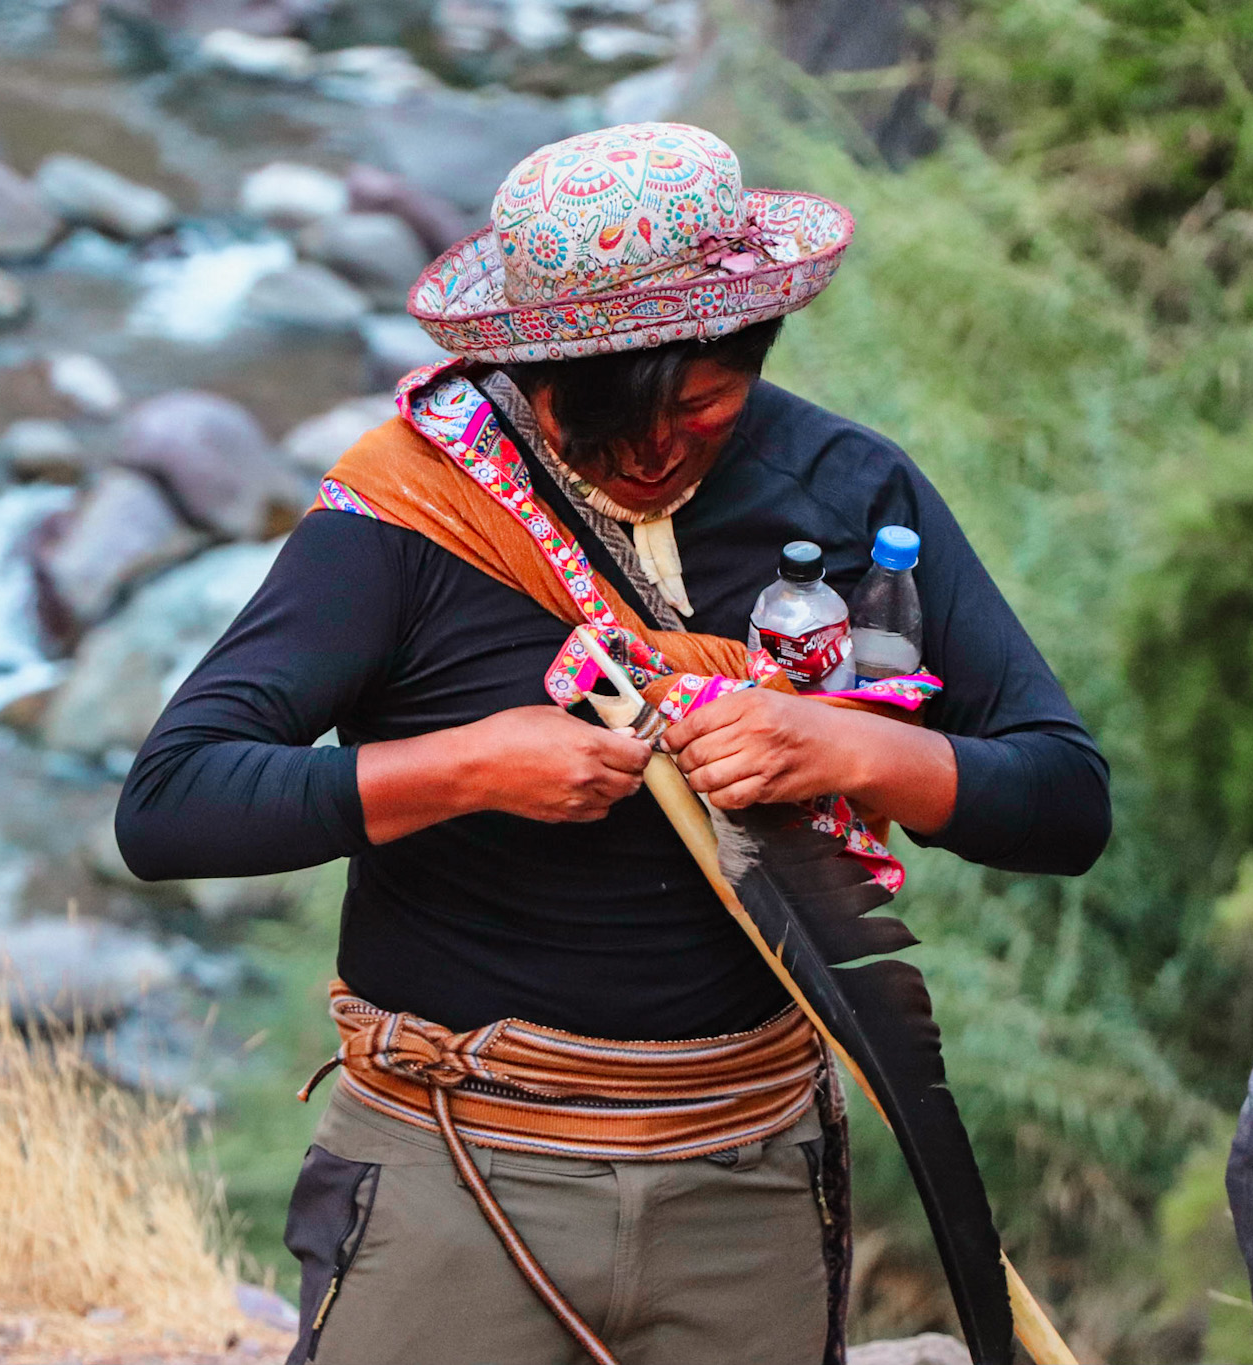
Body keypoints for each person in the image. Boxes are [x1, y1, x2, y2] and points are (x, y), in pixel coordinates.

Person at [116, 122, 1109, 1365]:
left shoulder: (852, 497)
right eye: (603, 424)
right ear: (529, 378)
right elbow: (169, 806)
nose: (650, 454)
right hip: (454, 1163)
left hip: (746, 1181)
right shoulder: (410, 515)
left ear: (753, 345)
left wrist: (845, 751)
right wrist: (469, 768)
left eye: (700, 406)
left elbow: (1065, 798)